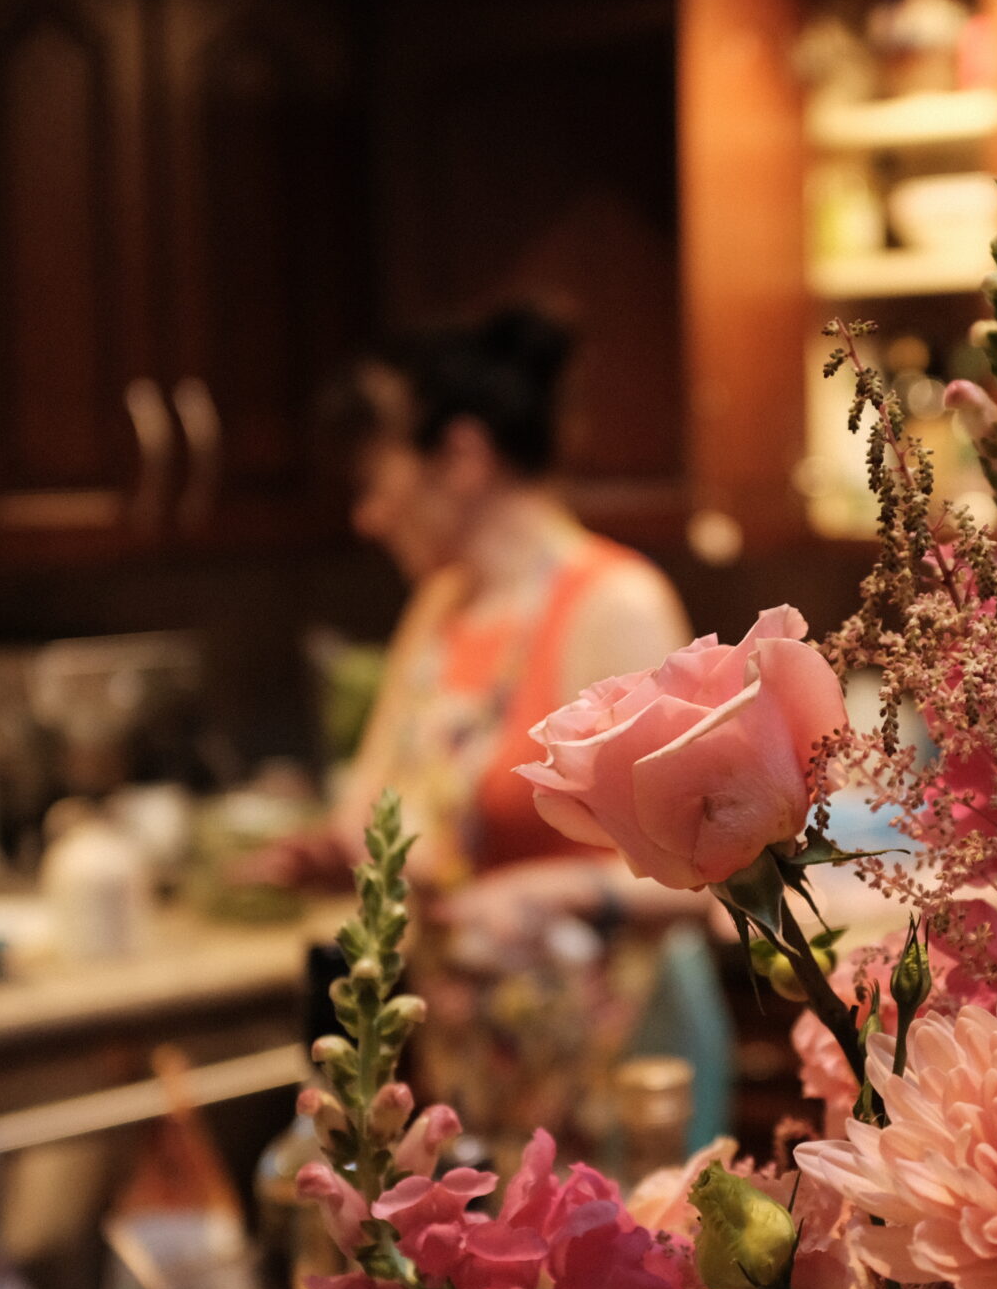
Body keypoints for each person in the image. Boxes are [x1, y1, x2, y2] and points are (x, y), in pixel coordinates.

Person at [271, 306, 701, 957]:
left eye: (376, 480)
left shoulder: (617, 605)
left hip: (618, 1029)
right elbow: (374, 808)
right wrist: (339, 852)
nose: (368, 516)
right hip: (471, 1030)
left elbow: (705, 872)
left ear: (463, 457)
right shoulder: (438, 607)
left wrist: (544, 892)